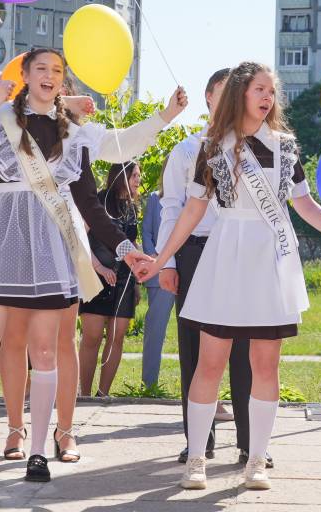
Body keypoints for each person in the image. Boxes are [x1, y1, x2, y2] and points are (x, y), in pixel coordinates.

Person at [0, 49, 153, 484]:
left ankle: (37, 454)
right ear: (26, 76)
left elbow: (89, 202)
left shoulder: (74, 133)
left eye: (57, 71)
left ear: (62, 82)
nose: (49, 76)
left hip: (50, 248)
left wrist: (125, 249)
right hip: (3, 242)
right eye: (41, 69)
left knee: (46, 351)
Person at [139, 60, 321, 492]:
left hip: (270, 259)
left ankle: (256, 459)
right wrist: (161, 257)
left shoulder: (286, 147)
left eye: (271, 91)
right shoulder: (212, 146)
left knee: (265, 363)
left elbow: (304, 204)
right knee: (210, 362)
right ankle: (197, 459)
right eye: (260, 89)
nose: (267, 97)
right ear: (241, 93)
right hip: (226, 255)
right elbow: (193, 209)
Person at [0, 87, 184, 464]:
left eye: (60, 83)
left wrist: (165, 116)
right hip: (18, 237)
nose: (53, 87)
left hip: (62, 240)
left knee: (63, 341)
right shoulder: (12, 124)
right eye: (46, 79)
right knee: (14, 338)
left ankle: (65, 432)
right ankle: (16, 428)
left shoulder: (77, 135)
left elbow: (119, 146)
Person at [156, 68, 255, 466]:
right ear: (209, 97)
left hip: (243, 254)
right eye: (224, 91)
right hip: (195, 253)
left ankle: (251, 443)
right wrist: (167, 261)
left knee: (246, 350)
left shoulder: (256, 147)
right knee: (195, 351)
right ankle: (199, 440)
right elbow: (171, 208)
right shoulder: (186, 150)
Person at [79, 162, 142, 396]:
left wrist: (137, 278)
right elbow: (80, 238)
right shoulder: (98, 201)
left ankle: (103, 394)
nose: (138, 180)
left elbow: (131, 243)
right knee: (92, 336)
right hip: (97, 277)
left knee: (117, 336)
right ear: (121, 176)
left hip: (125, 280)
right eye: (134, 175)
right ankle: (85, 394)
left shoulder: (132, 207)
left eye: (139, 176)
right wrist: (98, 267)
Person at [140, 178, 173, 388]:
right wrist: (157, 262)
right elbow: (146, 233)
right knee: (155, 331)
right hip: (159, 272)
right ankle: (149, 384)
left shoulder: (194, 196)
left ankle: (193, 389)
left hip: (187, 270)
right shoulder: (154, 198)